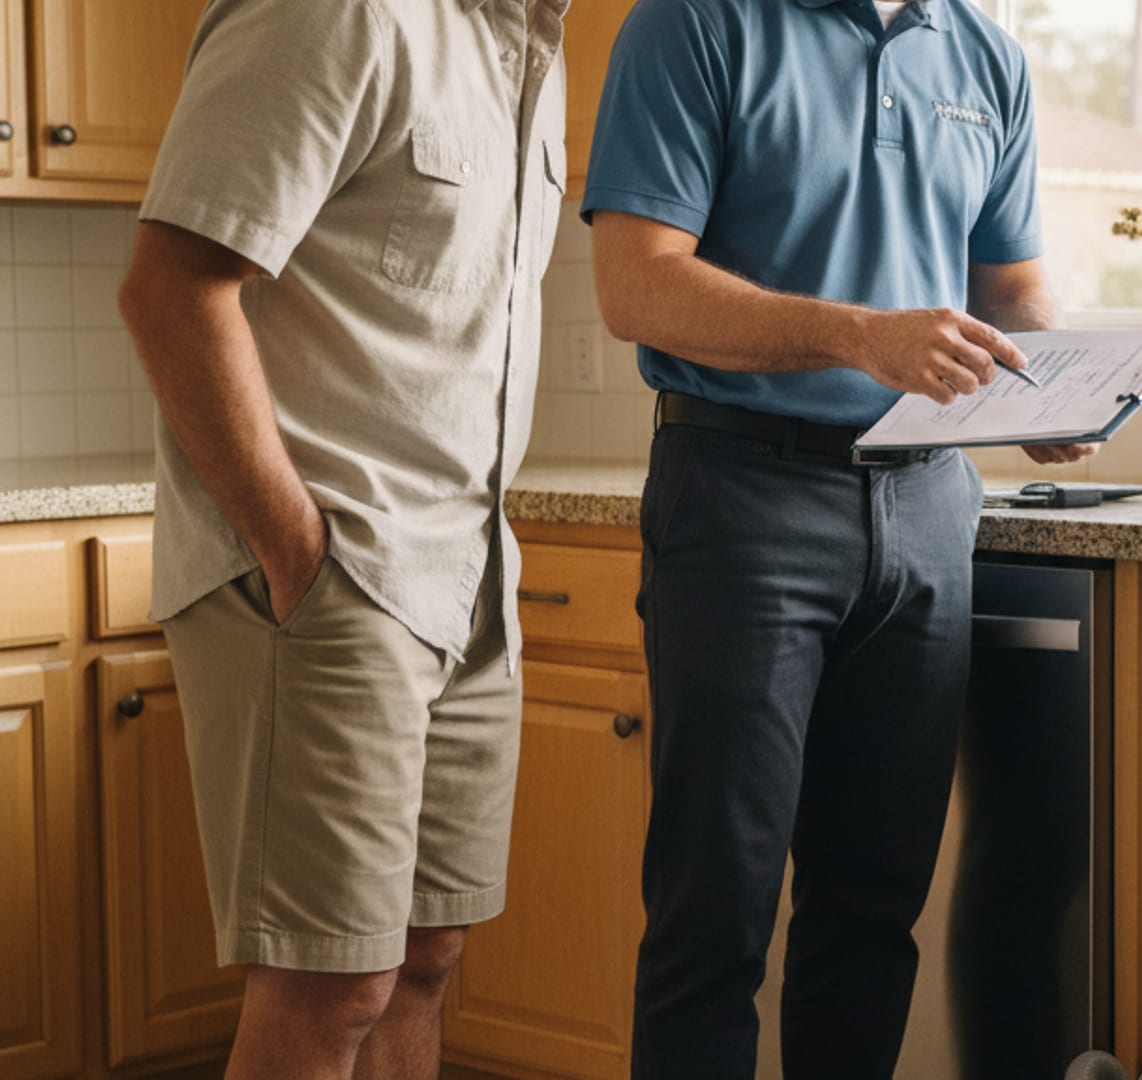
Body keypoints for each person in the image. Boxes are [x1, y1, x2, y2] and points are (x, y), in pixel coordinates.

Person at [583, 0, 1092, 1076]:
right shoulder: (694, 22)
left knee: (871, 910)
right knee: (714, 913)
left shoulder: (986, 55)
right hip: (742, 500)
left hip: (930, 505)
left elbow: (1011, 287)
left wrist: (1052, 383)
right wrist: (862, 336)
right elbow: (637, 285)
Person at [115, 1, 569, 1077]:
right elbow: (170, 291)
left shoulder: (534, 48)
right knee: (330, 985)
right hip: (335, 575)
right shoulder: (340, 10)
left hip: (468, 577)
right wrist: (300, 555)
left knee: (424, 957)